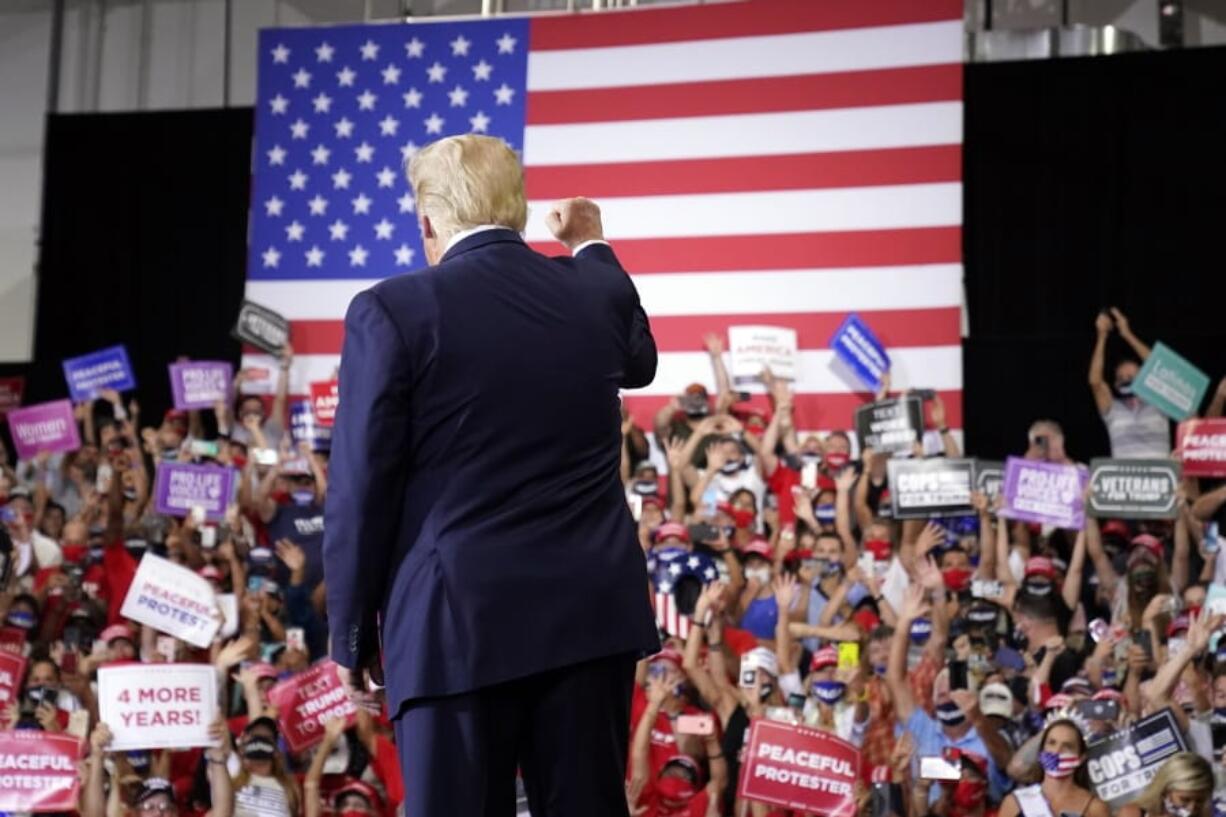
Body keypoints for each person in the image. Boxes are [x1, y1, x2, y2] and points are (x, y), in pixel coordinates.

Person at [323, 134, 659, 816]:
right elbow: (641, 359)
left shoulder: (392, 310)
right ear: (519, 208)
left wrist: (351, 633)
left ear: (427, 223)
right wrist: (591, 243)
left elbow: (360, 488)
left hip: (454, 627)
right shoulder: (589, 291)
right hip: (588, 619)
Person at [1088, 307, 1170, 459]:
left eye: (1132, 376)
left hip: (1160, 478)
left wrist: (1127, 334)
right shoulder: (1112, 409)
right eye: (1121, 377)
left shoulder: (1159, 402)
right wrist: (1101, 336)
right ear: (1115, 383)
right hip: (1124, 480)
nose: (1127, 379)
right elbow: (1095, 382)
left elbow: (1159, 369)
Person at [998, 718, 1108, 817]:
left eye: (1067, 746)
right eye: (1052, 743)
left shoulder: (1094, 808)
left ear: (1081, 758)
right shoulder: (1015, 802)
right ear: (1042, 750)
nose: (1057, 751)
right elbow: (1015, 766)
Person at [1118, 752, 1214, 817]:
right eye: (1184, 799)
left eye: (1199, 801)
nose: (1191, 808)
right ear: (1165, 790)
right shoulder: (1132, 813)